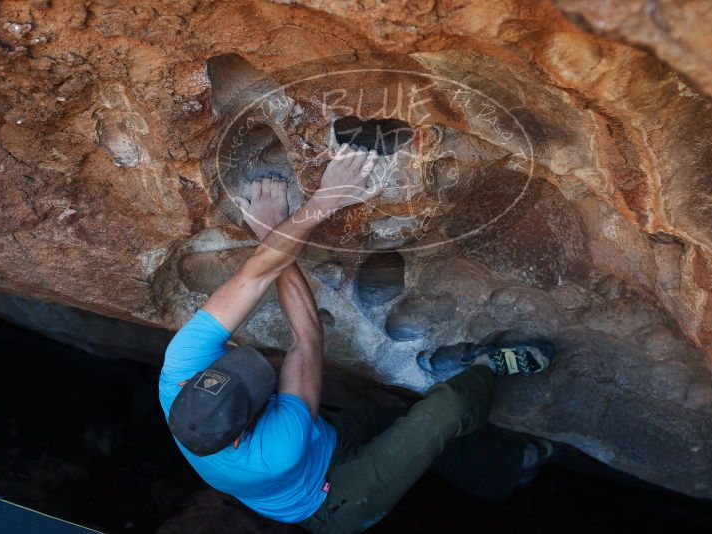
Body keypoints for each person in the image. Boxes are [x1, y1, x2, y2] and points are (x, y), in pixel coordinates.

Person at [158, 143, 555, 533]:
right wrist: (286, 224)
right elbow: (307, 339)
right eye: (257, 384)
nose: (246, 359)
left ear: (189, 384)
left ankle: (513, 466)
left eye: (228, 367)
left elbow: (254, 276)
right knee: (445, 410)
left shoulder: (179, 366)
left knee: (421, 434)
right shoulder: (273, 453)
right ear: (245, 431)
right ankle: (486, 366)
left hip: (326, 436)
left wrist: (288, 224)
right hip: (332, 495)